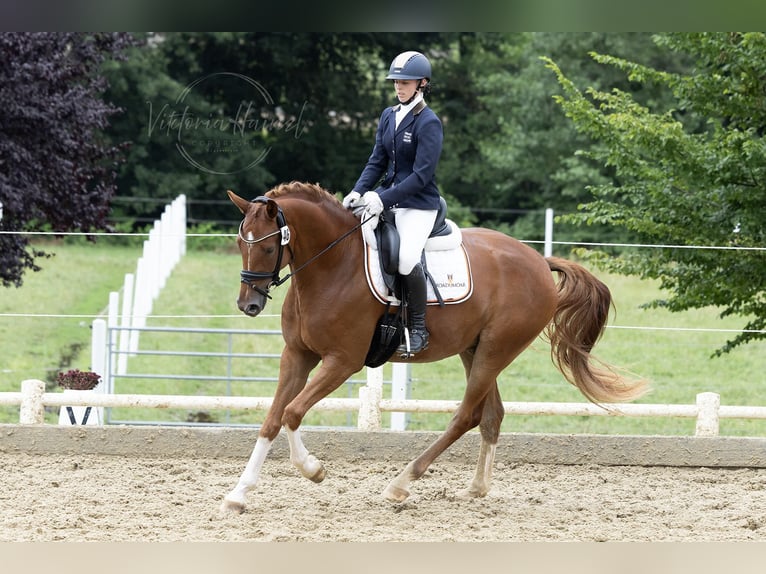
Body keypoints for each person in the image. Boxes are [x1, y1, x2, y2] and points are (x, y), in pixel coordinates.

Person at [343, 50, 443, 357]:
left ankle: (417, 328)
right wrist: (358, 191)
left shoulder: (428, 122)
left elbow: (421, 176)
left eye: (406, 82)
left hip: (419, 205)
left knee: (405, 259)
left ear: (422, 83)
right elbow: (377, 160)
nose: (399, 87)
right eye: (396, 81)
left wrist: (382, 198)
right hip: (386, 200)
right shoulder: (388, 115)